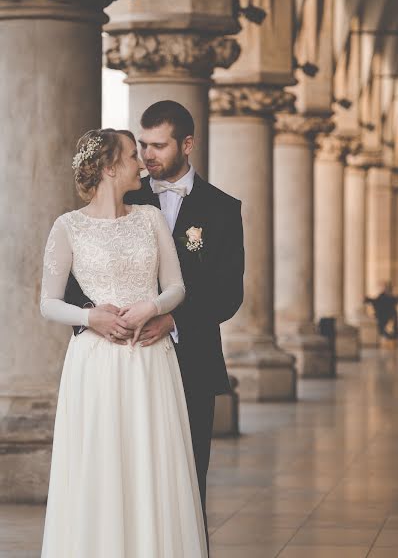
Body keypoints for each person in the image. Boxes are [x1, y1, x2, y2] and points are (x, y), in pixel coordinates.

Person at [65, 101, 245, 552]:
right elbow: (74, 283)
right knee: (120, 471)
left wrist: (172, 319)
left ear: (187, 144)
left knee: (186, 476)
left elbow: (228, 294)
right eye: (141, 144)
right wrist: (97, 317)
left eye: (158, 145)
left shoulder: (222, 209)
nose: (147, 155)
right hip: (122, 361)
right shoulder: (124, 193)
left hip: (192, 362)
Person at [40, 128, 208, 557]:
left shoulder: (149, 218)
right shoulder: (68, 226)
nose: (142, 162)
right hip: (95, 362)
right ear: (111, 167)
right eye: (134, 155)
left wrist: (151, 308)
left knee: (151, 465)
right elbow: (48, 303)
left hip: (151, 359)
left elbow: (176, 286)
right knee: (101, 464)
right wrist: (89, 316)